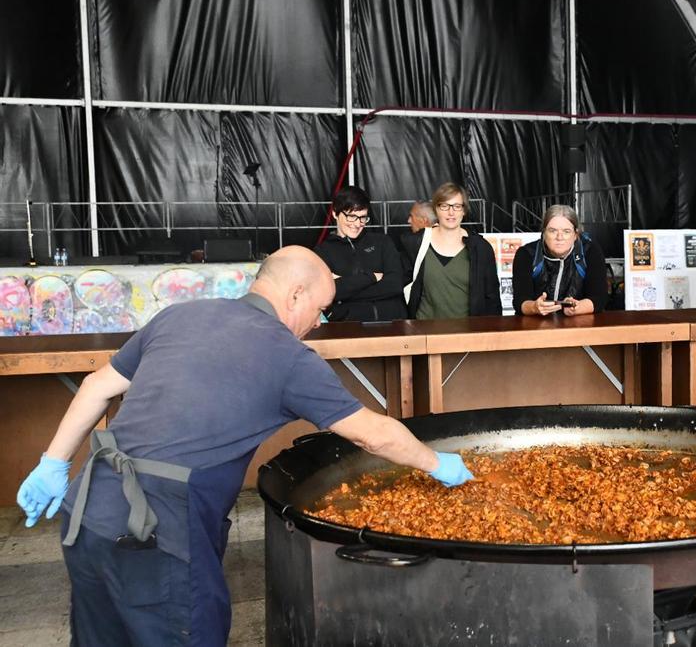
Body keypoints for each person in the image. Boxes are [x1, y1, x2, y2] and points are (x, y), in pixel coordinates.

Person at [14, 246, 473, 647]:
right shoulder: (290, 357)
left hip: (87, 512)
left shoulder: (180, 314)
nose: (319, 323)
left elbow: (96, 387)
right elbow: (371, 433)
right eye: (321, 309)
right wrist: (438, 463)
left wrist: (51, 464)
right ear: (295, 295)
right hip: (154, 530)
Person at [405, 182, 502, 318]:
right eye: (444, 206)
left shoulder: (480, 248)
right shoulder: (417, 243)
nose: (451, 212)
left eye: (457, 206)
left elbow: (492, 300)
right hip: (425, 332)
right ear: (436, 209)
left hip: (466, 334)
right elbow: (398, 285)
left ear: (464, 210)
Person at [314, 186, 412, 321]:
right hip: (348, 330)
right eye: (351, 216)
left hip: (393, 324)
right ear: (335, 213)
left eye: (362, 218)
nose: (357, 223)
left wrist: (346, 288)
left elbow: (395, 284)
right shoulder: (322, 252)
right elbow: (328, 293)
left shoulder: (382, 242)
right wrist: (371, 277)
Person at [512, 204, 608, 316]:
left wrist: (578, 307)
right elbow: (520, 301)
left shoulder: (589, 251)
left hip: (579, 325)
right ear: (543, 233)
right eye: (552, 231)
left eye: (566, 231)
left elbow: (599, 298)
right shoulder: (526, 254)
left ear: (575, 234)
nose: (559, 237)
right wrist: (534, 307)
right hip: (537, 325)